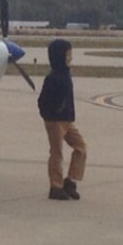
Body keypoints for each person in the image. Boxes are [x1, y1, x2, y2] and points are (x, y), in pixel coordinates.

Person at [37, 39, 87, 200]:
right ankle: (56, 186)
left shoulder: (66, 73)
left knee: (81, 147)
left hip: (67, 119)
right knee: (57, 153)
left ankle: (71, 180)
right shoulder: (53, 78)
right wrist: (51, 113)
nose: (70, 57)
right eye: (67, 54)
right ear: (59, 56)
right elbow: (43, 101)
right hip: (55, 120)